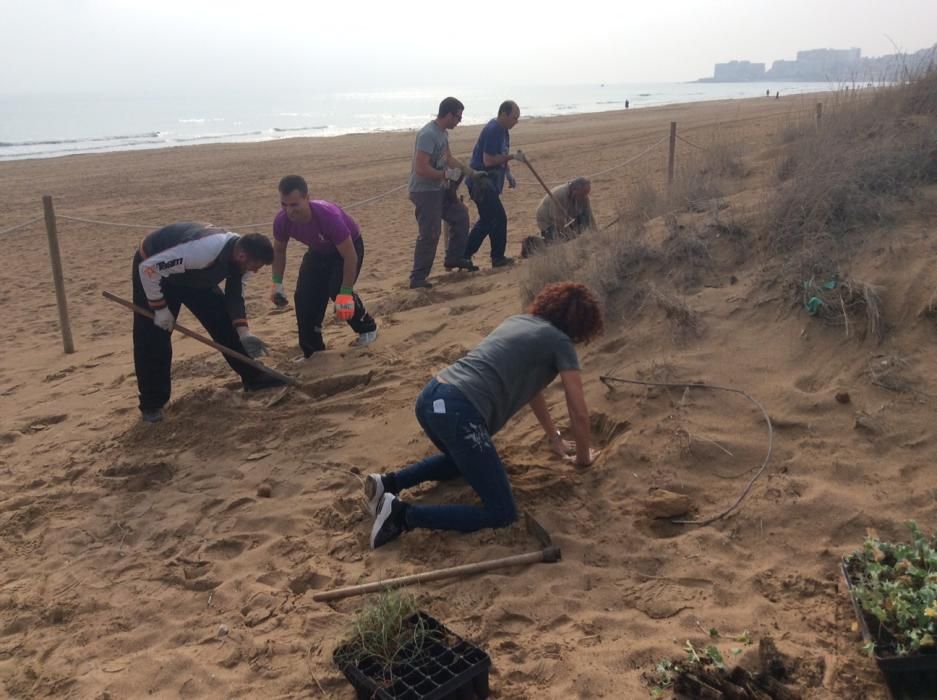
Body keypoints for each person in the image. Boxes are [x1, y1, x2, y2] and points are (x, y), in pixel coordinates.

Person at [365, 281, 604, 549]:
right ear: (582, 325)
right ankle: (401, 516)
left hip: (431, 397)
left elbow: (532, 391)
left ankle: (389, 483)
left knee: (466, 459)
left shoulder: (521, 322)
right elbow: (579, 411)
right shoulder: (560, 343)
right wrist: (583, 459)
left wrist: (554, 437)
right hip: (459, 411)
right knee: (501, 512)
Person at [132, 223, 283, 423]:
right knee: (153, 338)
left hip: (194, 276)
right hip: (155, 269)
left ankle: (253, 377)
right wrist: (159, 308)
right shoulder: (203, 251)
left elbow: (235, 296)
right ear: (242, 256)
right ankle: (152, 404)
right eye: (255, 266)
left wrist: (243, 332)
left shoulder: (242, 256)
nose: (255, 271)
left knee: (224, 323)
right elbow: (148, 269)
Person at [271, 175, 378, 358]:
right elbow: (279, 252)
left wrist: (345, 293)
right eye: (284, 205)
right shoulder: (282, 221)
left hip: (349, 247)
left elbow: (349, 255)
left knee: (337, 290)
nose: (289, 211)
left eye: (294, 205)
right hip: (318, 250)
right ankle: (312, 350)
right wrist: (277, 283)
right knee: (304, 296)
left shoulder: (328, 216)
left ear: (307, 198)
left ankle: (367, 328)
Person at [408, 97, 478, 290]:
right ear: (448, 115)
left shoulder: (443, 134)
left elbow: (448, 157)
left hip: (439, 188)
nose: (459, 120)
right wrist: (445, 174)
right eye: (458, 116)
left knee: (460, 215)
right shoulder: (427, 135)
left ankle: (453, 258)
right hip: (424, 191)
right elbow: (420, 168)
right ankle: (418, 278)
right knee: (430, 233)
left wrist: (469, 171)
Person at [463, 100, 523, 268]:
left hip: (491, 183)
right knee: (496, 219)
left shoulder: (504, 131)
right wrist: (512, 157)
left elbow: (500, 154)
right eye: (514, 117)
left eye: (518, 118)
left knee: (488, 220)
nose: (516, 122)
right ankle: (495, 257)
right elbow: (488, 160)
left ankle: (465, 255)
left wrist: (508, 172)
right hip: (480, 182)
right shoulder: (494, 129)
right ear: (503, 114)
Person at [535, 177, 597, 242]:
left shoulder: (584, 197)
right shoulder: (559, 195)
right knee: (558, 241)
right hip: (548, 220)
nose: (585, 196)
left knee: (584, 218)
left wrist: (595, 233)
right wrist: (573, 235)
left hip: (567, 218)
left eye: (587, 193)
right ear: (574, 190)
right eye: (583, 193)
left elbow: (589, 216)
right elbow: (557, 219)